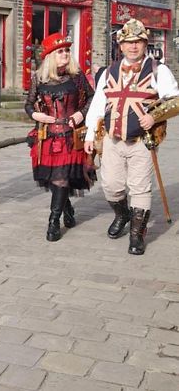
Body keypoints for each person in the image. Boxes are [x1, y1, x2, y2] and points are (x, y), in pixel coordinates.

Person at [84, 18, 179, 255]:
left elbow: (175, 100)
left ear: (145, 43)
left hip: (142, 141)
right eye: (128, 42)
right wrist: (88, 135)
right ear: (121, 45)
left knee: (140, 188)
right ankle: (122, 214)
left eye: (138, 41)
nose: (133, 46)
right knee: (111, 186)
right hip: (112, 139)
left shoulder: (159, 70)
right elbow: (98, 104)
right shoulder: (109, 71)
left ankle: (137, 235)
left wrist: (154, 117)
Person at [25, 32, 95, 242]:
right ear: (50, 56)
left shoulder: (76, 76)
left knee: (62, 176)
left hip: (70, 136)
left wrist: (80, 114)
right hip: (46, 136)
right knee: (54, 177)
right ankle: (67, 207)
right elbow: (28, 104)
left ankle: (53, 221)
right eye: (60, 51)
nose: (65, 53)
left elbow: (92, 98)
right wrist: (35, 114)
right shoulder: (39, 78)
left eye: (66, 50)